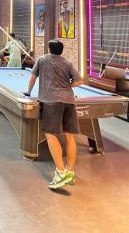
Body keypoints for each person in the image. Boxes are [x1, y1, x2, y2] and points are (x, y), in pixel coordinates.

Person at [25, 39, 83, 189]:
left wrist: (28, 92)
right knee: (70, 136)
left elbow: (33, 78)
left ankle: (60, 172)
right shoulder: (67, 62)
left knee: (51, 135)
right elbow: (79, 82)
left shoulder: (42, 59)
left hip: (51, 101)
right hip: (69, 101)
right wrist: (67, 85)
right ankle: (70, 173)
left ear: (49, 49)